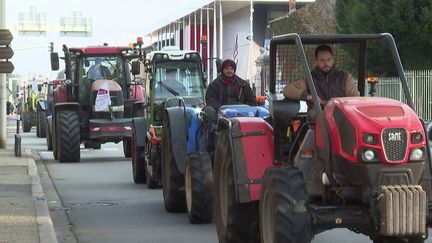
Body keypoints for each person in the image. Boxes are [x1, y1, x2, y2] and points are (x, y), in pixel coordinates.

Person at [283, 44, 359, 121]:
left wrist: (337, 105)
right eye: (322, 60)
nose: (326, 63)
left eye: (328, 59)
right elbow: (287, 90)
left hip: (340, 119)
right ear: (316, 61)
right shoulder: (310, 78)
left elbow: (355, 99)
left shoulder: (345, 78)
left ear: (333, 60)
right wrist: (309, 97)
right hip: (318, 120)